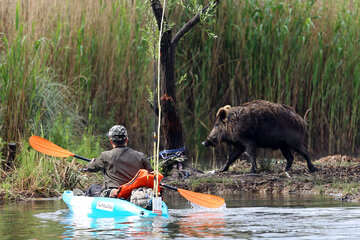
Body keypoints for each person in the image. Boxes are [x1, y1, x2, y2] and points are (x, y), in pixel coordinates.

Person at [85, 125, 153, 197]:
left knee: (92, 188)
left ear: (111, 141)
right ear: (126, 140)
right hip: (133, 194)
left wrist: (93, 161)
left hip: (112, 194)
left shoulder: (106, 155)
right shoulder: (140, 156)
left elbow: (90, 168)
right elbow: (151, 173)